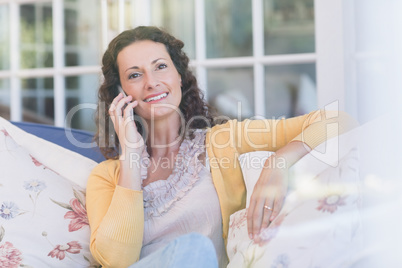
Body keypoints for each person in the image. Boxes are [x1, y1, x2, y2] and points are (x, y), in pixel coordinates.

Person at [86, 26, 356, 268]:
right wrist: (131, 155)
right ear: (120, 94)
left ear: (179, 76)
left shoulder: (224, 141)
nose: (151, 81)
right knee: (194, 247)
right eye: (135, 75)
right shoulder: (106, 177)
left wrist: (280, 161)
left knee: (196, 249)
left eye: (160, 66)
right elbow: (117, 260)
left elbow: (338, 121)